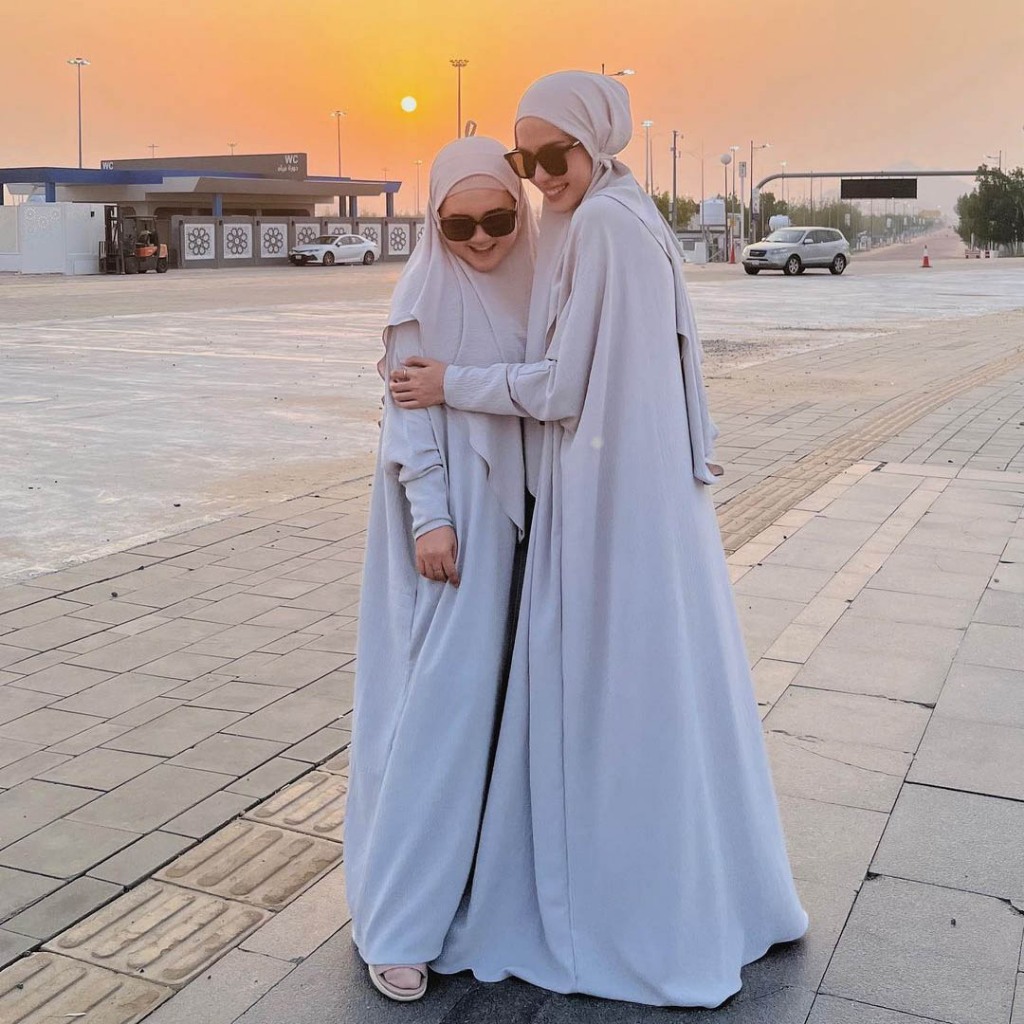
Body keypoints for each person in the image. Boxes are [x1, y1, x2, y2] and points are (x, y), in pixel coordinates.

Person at [389, 71, 808, 1009]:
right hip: (641, 495)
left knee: (610, 700)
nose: (541, 176)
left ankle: (615, 917)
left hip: (608, 502)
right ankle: (700, 899)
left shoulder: (605, 228)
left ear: (597, 143)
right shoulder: (626, 214)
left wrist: (451, 382)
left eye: (555, 155)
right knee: (662, 693)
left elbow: (563, 386)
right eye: (525, 158)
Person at [345, 136, 537, 1002]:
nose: (482, 239)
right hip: (454, 526)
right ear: (435, 223)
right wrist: (432, 519)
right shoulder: (424, 291)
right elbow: (408, 419)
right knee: (438, 711)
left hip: (528, 525)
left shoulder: (539, 281)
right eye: (459, 225)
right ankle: (401, 919)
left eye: (498, 218)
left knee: (505, 714)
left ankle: (480, 896)